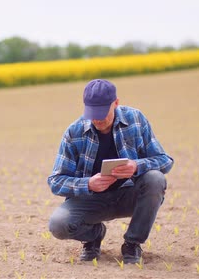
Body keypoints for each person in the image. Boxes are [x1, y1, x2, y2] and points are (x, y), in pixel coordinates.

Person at [47, 79, 174, 264]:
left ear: (116, 103)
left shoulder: (136, 119)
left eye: (101, 112)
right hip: (91, 201)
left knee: (155, 178)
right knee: (58, 224)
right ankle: (93, 236)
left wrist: (136, 166)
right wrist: (88, 184)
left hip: (129, 196)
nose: (97, 119)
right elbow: (56, 181)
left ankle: (132, 244)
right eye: (92, 113)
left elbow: (165, 161)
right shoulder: (74, 132)